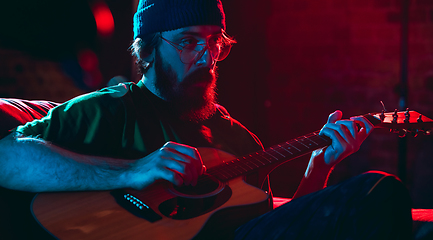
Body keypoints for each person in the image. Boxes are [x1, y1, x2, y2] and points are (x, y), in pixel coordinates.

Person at [0, 0, 412, 239]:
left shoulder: (240, 140)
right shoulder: (109, 110)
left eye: (215, 42)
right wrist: (132, 171)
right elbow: (8, 157)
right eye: (187, 42)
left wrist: (322, 162)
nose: (206, 56)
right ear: (145, 51)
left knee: (374, 192)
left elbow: (282, 227)